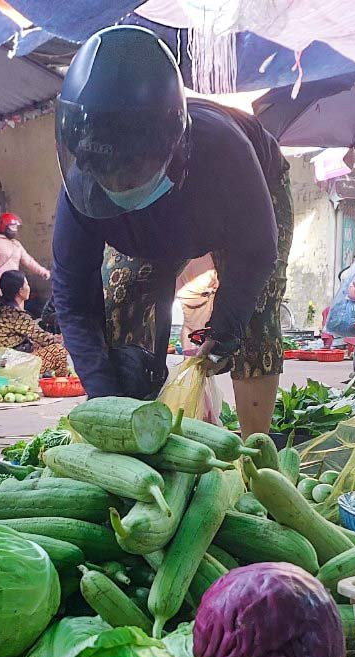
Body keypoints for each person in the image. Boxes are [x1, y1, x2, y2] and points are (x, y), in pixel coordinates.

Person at [50, 25, 291, 437]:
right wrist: (103, 396)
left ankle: (256, 454)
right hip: (158, 233)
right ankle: (136, 438)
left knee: (256, 311)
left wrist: (226, 328)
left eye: (132, 175)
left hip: (242, 206)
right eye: (110, 181)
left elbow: (256, 253)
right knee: (124, 301)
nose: (121, 188)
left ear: (171, 150)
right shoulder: (84, 184)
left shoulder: (224, 151)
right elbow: (73, 298)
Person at [0, 270, 70, 375]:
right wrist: (61, 339)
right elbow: (44, 338)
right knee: (59, 351)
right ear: (20, 290)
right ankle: (62, 384)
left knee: (38, 345)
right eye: (27, 284)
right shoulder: (15, 314)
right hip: (9, 366)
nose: (29, 287)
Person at [0, 213, 50, 294]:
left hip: (15, 281)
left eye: (16, 227)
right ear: (4, 227)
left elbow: (28, 261)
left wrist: (42, 271)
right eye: (12, 227)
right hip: (1, 282)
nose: (15, 230)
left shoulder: (16, 244)